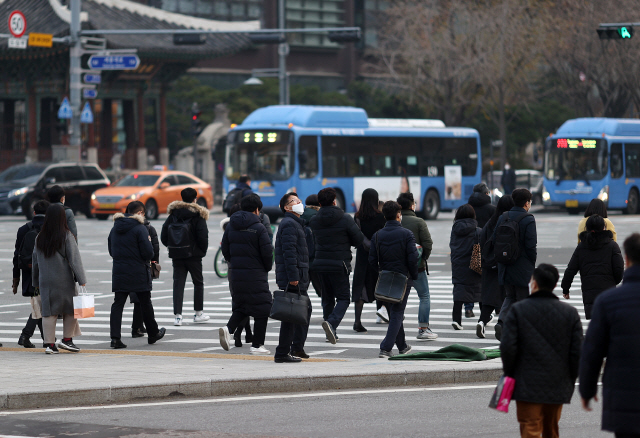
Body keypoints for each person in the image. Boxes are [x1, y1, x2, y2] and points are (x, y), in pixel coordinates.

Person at [501, 264, 583, 438]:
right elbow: (577, 353)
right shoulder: (570, 313)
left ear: (534, 284)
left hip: (526, 383)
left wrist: (510, 374)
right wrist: (569, 379)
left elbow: (508, 347)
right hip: (558, 383)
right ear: (554, 285)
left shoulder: (518, 310)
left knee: (530, 428)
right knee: (551, 429)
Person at [580, 233, 640, 438]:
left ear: (627, 260)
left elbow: (593, 351)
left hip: (623, 398)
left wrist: (587, 391)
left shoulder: (608, 301)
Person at [219, 194, 273, 354]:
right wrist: (266, 268)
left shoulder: (231, 226)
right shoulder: (259, 227)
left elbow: (225, 249)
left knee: (242, 306)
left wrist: (234, 263)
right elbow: (267, 253)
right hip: (255, 274)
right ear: (257, 210)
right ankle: (257, 345)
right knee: (263, 307)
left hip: (236, 274)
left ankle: (228, 329)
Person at [309, 187, 364, 344]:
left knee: (327, 298)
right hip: (339, 264)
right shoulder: (345, 218)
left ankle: (330, 331)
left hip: (320, 264)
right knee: (344, 298)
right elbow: (358, 239)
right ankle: (331, 324)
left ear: (320, 202)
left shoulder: (314, 220)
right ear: (334, 201)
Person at [108, 201, 166, 348]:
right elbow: (148, 252)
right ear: (139, 213)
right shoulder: (140, 229)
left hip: (119, 271)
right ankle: (153, 333)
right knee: (145, 302)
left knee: (118, 304)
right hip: (138, 271)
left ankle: (115, 338)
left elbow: (111, 251)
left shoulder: (115, 227)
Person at [32, 204, 86, 354]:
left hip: (45, 281)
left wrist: (35, 282)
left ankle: (49, 345)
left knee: (49, 312)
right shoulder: (66, 235)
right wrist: (81, 278)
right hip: (64, 279)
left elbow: (35, 261)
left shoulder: (39, 237)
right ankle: (67, 340)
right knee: (70, 309)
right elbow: (74, 259)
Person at [369, 201, 418, 358]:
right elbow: (413, 258)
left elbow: (372, 260)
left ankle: (402, 345)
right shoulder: (407, 234)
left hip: (385, 277)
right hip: (403, 278)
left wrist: (380, 271)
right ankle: (386, 347)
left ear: (384, 215)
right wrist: (414, 275)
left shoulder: (377, 235)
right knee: (397, 312)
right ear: (398, 215)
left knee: (393, 311)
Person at [161, 187, 210, 326]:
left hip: (177, 255)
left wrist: (173, 246)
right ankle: (198, 313)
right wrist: (201, 251)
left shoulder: (173, 214)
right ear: (195, 199)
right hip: (194, 256)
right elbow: (203, 236)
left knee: (178, 284)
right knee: (198, 283)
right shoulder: (198, 215)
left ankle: (178, 316)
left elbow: (164, 235)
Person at [493, 188, 537, 341]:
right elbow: (531, 246)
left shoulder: (503, 217)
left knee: (510, 296)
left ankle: (502, 322)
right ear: (526, 203)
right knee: (523, 299)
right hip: (522, 266)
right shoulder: (528, 219)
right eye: (530, 202)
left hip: (504, 265)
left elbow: (494, 240)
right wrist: (532, 264)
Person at [562, 214, 624, 320]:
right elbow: (619, 269)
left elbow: (571, 269)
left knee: (595, 324)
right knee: (608, 323)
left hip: (589, 293)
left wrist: (565, 288)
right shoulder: (612, 246)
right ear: (604, 228)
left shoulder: (582, 247)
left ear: (587, 228)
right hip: (608, 291)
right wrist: (613, 282)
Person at [274, 192, 312, 363]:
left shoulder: (295, 223)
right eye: (294, 201)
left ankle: (295, 348)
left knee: (299, 311)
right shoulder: (289, 224)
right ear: (286, 207)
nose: (299, 203)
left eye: (299, 200)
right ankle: (284, 352)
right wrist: (294, 276)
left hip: (298, 274)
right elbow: (289, 253)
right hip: (294, 276)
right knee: (292, 314)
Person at [397, 192, 437, 340]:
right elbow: (428, 244)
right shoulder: (419, 222)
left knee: (398, 298)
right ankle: (423, 329)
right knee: (424, 296)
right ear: (412, 205)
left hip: (399, 268)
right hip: (417, 267)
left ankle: (396, 326)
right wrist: (422, 258)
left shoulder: (396, 221)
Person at [13, 199, 49, 348]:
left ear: (34, 212)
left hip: (29, 273)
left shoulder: (23, 229)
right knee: (40, 307)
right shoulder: (50, 230)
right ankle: (26, 335)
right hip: (46, 273)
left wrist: (16, 278)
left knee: (38, 306)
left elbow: (17, 256)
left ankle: (45, 338)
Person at [476, 195, 514, 338]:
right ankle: (502, 324)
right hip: (502, 264)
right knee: (507, 296)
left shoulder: (491, 222)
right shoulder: (507, 221)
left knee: (489, 297)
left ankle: (481, 321)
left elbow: (482, 240)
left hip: (488, 264)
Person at [352, 188, 387, 333]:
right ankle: (383, 313)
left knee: (361, 288)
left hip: (362, 257)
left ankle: (357, 321)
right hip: (378, 256)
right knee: (380, 285)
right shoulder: (381, 217)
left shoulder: (358, 216)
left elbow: (356, 236)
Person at [449, 204, 481, 330]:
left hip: (458, 265)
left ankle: (456, 320)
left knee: (459, 293)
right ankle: (483, 319)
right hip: (474, 265)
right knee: (480, 291)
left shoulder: (455, 229)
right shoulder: (477, 230)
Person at [130, 201, 160, 338]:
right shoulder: (146, 227)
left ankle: (138, 326)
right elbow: (153, 248)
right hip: (142, 266)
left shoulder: (121, 226)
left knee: (132, 299)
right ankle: (137, 327)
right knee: (141, 298)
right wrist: (154, 261)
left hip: (127, 267)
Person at [300, 194, 322, 298]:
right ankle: (329, 314)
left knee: (301, 292)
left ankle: (303, 313)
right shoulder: (320, 217)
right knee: (324, 293)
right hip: (317, 261)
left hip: (302, 260)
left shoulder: (299, 216)